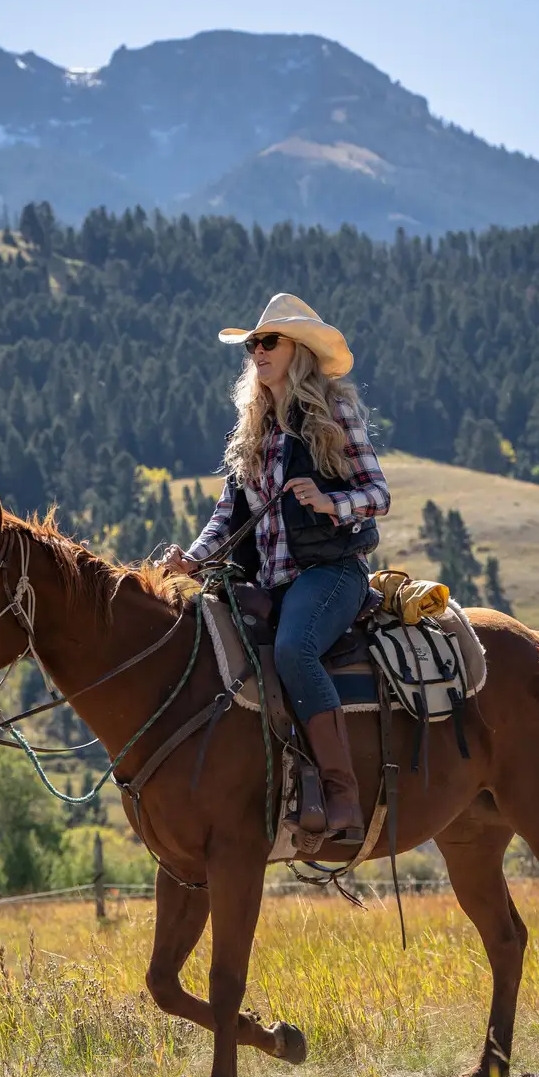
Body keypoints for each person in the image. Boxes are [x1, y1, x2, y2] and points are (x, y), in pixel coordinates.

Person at [163, 294, 390, 841]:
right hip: (266, 582)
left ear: (299, 352)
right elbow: (228, 513)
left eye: (268, 342)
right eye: (252, 345)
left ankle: (341, 795)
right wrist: (191, 560)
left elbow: (378, 494)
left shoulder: (335, 413)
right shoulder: (252, 430)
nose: (257, 352)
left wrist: (329, 502)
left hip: (332, 572)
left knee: (293, 649)